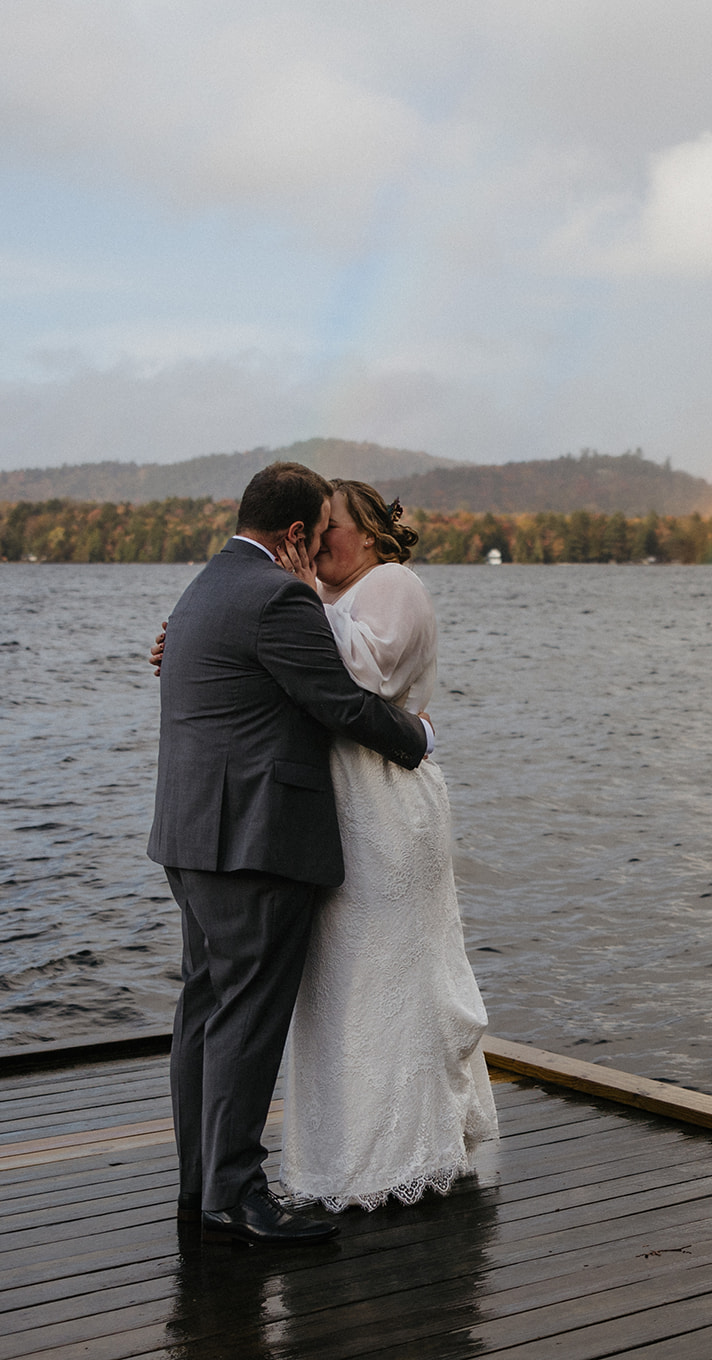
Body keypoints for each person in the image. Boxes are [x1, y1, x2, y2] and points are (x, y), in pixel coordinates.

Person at [148, 461, 430, 1246]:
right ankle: (237, 1194)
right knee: (245, 1016)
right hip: (256, 841)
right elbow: (337, 702)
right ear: (298, 533)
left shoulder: (205, 585)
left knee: (204, 1009)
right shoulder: (277, 595)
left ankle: (200, 1180)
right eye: (319, 530)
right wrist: (422, 737)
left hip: (191, 833)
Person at [274, 479, 498, 1209]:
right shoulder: (328, 599)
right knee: (340, 978)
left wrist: (295, 593)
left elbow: (362, 674)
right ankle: (342, 1153)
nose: (312, 543)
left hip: (386, 799)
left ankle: (403, 1156)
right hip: (339, 802)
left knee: (388, 970)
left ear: (369, 535)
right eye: (305, 534)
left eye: (325, 529)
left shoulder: (393, 584)